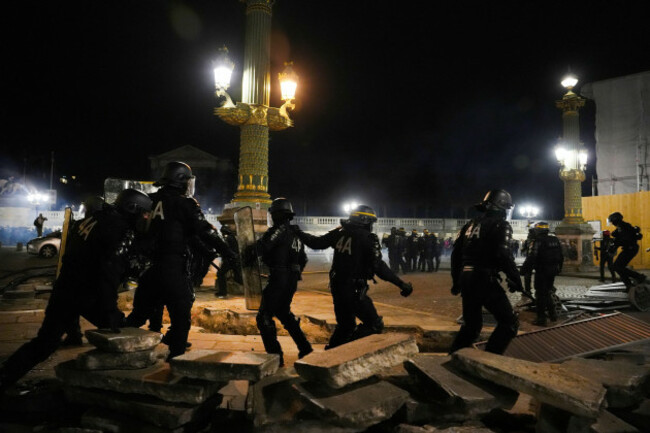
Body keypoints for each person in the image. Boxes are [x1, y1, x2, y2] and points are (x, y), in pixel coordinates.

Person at [0, 189, 153, 390]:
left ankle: (4, 379)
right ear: (132, 208)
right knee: (123, 335)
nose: (145, 218)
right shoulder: (119, 228)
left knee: (44, 343)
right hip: (87, 293)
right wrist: (110, 312)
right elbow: (108, 273)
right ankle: (115, 390)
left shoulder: (92, 219)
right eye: (144, 213)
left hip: (67, 287)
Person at [125, 161, 235, 359]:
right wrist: (229, 253)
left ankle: (114, 345)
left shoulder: (150, 200)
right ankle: (176, 364)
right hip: (173, 266)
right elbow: (204, 231)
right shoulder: (185, 203)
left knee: (137, 316)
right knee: (181, 319)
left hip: (149, 268)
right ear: (182, 181)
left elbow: (184, 233)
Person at [296, 205, 413, 349]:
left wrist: (299, 233)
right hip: (354, 290)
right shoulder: (369, 238)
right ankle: (349, 350)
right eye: (371, 222)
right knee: (374, 325)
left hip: (337, 286)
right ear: (364, 221)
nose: (371, 226)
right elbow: (379, 267)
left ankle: (332, 355)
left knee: (346, 326)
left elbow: (316, 243)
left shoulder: (339, 232)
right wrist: (401, 284)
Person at [449, 189, 522, 355]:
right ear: (502, 207)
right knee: (508, 323)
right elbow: (504, 254)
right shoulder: (501, 225)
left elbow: (456, 256)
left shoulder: (470, 225)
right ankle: (489, 359)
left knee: (471, 325)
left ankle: (452, 357)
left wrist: (456, 281)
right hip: (484, 279)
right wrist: (516, 279)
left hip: (466, 278)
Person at [253, 198, 312, 367]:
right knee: (284, 313)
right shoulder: (296, 234)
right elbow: (304, 259)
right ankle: (305, 348)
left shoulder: (278, 230)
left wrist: (252, 248)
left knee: (264, 317)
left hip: (279, 277)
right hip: (291, 279)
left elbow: (263, 247)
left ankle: (275, 357)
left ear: (277, 215)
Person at [520, 222, 564, 326]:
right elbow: (561, 256)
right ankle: (553, 315)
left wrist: (524, 270)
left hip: (542, 270)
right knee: (547, 292)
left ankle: (541, 318)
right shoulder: (555, 239)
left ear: (537, 231)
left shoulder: (537, 241)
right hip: (553, 270)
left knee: (540, 294)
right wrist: (559, 269)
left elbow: (532, 257)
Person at [608, 212, 646, 290]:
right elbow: (618, 238)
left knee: (617, 266)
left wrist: (615, 244)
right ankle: (629, 284)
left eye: (612, 221)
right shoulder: (621, 227)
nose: (612, 223)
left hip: (630, 248)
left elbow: (625, 240)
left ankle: (638, 277)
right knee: (618, 267)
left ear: (616, 220)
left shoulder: (624, 227)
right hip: (629, 249)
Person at [216, 224, 242, 298]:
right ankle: (251, 289)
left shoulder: (227, 238)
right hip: (234, 259)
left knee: (220, 274)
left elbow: (226, 249)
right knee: (238, 277)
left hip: (229, 259)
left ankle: (222, 292)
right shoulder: (232, 237)